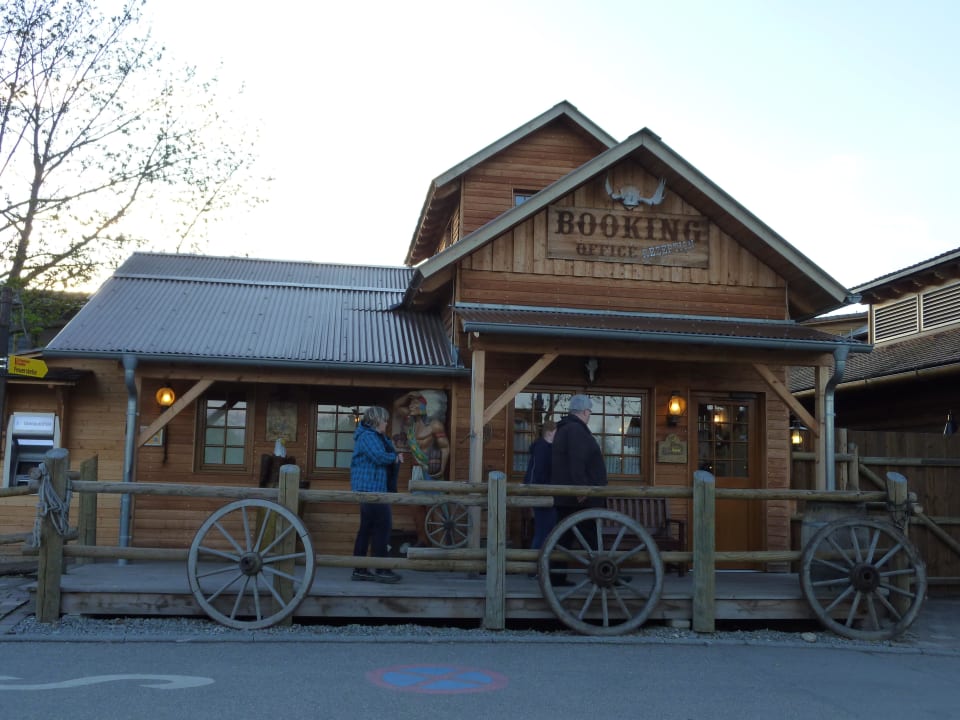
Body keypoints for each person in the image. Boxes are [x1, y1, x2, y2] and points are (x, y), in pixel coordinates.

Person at [550, 394, 608, 585]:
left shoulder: (565, 429)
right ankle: (604, 573)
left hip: (567, 497)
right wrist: (582, 490)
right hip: (579, 499)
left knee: (564, 538)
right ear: (585, 411)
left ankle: (557, 577)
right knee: (590, 538)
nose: (589, 414)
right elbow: (577, 462)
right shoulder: (576, 430)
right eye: (589, 411)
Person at [350, 406, 403, 583]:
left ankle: (360, 569)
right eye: (385, 420)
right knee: (382, 527)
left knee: (367, 529)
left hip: (372, 488)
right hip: (371, 489)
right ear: (376, 420)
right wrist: (394, 457)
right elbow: (378, 456)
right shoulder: (368, 436)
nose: (387, 423)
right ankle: (381, 569)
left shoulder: (374, 436)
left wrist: (394, 455)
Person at [392, 391, 450, 546]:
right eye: (411, 404)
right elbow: (397, 405)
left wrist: (442, 468)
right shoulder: (410, 423)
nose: (411, 406)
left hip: (431, 470)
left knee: (435, 506)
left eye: (415, 403)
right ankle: (423, 540)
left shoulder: (435, 425)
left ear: (425, 407)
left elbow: (445, 447)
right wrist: (408, 395)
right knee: (415, 505)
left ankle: (441, 544)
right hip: (416, 471)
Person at [523, 420, 557, 551]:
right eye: (556, 432)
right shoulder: (542, 448)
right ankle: (535, 562)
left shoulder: (542, 447)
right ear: (550, 433)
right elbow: (538, 472)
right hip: (542, 494)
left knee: (545, 532)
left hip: (543, 493)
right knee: (543, 532)